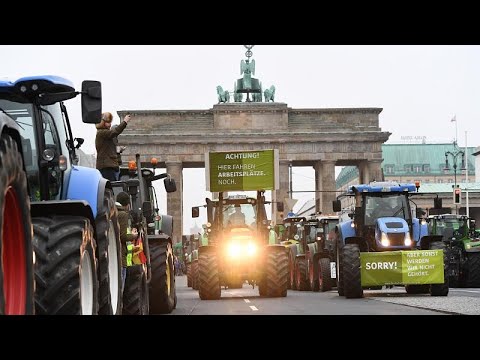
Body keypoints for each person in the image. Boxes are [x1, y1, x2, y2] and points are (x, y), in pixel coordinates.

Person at [95, 112, 132, 181]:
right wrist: (125, 122)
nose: (110, 124)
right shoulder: (102, 133)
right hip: (107, 167)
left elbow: (109, 150)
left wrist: (118, 151)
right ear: (103, 122)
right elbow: (114, 132)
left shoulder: (105, 134)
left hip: (110, 167)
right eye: (108, 122)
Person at [116, 191, 138, 294]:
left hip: (115, 257)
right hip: (122, 258)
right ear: (128, 204)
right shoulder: (123, 215)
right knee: (121, 289)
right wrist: (134, 236)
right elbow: (123, 236)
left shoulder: (112, 213)